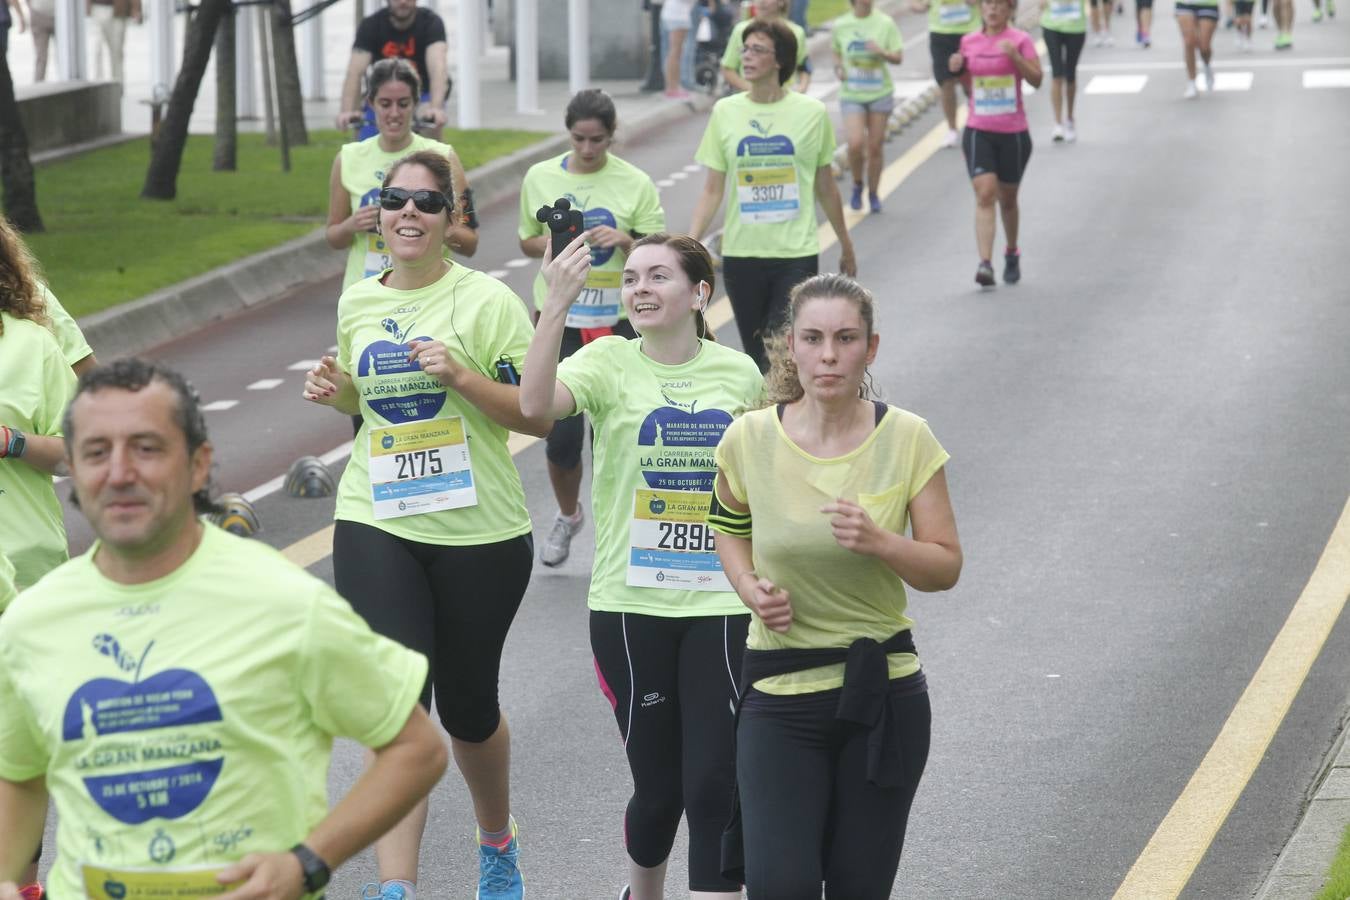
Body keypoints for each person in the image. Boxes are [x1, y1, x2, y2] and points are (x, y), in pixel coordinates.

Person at [0, 357, 449, 900]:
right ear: (72, 466)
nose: (119, 473)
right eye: (96, 453)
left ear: (197, 464)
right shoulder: (33, 620)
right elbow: (19, 774)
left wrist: (308, 862)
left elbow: (416, 749)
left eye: (146, 448)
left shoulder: (281, 600)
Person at [303, 149, 549, 900]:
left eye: (426, 203)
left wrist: (462, 377)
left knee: (470, 709)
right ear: (377, 214)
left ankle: (497, 841)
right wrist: (340, 392)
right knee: (400, 707)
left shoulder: (488, 304)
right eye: (394, 200)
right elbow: (367, 407)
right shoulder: (358, 303)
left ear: (451, 220)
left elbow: (534, 415)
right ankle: (396, 887)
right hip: (377, 516)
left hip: (480, 531)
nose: (408, 213)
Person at [521, 232, 763, 900]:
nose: (640, 289)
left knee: (715, 782)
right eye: (630, 279)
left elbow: (762, 485)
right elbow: (534, 409)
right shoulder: (605, 364)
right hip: (631, 608)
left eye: (658, 276)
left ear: (700, 295)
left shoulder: (740, 376)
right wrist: (555, 306)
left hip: (721, 603)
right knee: (659, 793)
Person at [708, 274, 962, 898]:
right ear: (789, 346)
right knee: (781, 885)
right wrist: (747, 586)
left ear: (870, 349)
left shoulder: (907, 437)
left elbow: (945, 565)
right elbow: (726, 526)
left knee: (857, 888)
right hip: (779, 691)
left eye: (846, 339)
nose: (829, 355)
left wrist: (882, 542)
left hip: (882, 693)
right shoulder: (749, 438)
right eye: (814, 338)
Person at [517, 90, 666, 568]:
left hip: (618, 320)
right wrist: (559, 240)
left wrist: (625, 239)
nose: (587, 149)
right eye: (579, 139)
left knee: (620, 434)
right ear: (568, 134)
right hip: (561, 320)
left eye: (597, 140)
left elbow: (660, 247)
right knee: (560, 440)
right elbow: (525, 239)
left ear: (611, 135)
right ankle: (568, 514)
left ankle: (619, 527)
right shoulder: (540, 177)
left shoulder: (633, 182)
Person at [690, 18, 856, 371]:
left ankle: (786, 420)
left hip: (795, 252)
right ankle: (773, 421)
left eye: (758, 50)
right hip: (741, 253)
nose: (746, 56)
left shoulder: (810, 113)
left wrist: (845, 243)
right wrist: (688, 245)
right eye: (745, 49)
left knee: (783, 350)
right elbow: (712, 188)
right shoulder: (726, 112)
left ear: (780, 60)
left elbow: (825, 186)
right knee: (756, 356)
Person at [0, 215, 77, 900]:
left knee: (16, 747)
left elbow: (74, 449)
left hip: (25, 571)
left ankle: (23, 884)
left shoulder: (32, 345)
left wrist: (12, 441)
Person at [328, 57, 477, 293]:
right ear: (370, 103)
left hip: (429, 293)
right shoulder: (348, 158)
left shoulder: (443, 156)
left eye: (404, 103)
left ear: (416, 103)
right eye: (385, 104)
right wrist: (351, 225)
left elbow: (470, 241)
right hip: (366, 294)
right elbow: (333, 236)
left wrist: (432, 225)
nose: (394, 113)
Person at [948, 0, 1041, 287]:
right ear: (981, 8)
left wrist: (1015, 57)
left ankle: (1011, 251)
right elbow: (967, 84)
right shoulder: (969, 41)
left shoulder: (1020, 40)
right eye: (988, 4)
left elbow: (1036, 79)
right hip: (979, 129)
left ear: (1009, 9)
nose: (993, 10)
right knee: (985, 193)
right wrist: (958, 69)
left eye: (999, 5)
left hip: (1013, 131)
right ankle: (985, 263)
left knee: (1008, 199)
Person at [337, 0, 450, 140]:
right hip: (384, 95)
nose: (402, 2)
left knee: (430, 125)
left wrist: (436, 108)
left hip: (422, 95)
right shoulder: (371, 25)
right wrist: (348, 111)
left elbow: (438, 69)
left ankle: (434, 159)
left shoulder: (431, 23)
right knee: (362, 142)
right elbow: (354, 72)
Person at [832, 0, 904, 213]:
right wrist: (838, 67)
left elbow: (898, 56)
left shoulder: (885, 23)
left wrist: (881, 52)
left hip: (879, 92)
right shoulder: (842, 24)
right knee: (854, 144)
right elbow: (836, 50)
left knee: (875, 146)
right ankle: (857, 184)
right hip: (852, 93)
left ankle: (873, 192)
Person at [913, 0, 982, 148]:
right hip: (940, 33)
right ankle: (952, 129)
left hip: (970, 32)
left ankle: (977, 120)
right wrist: (919, 6)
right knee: (946, 83)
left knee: (970, 83)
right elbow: (914, 4)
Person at [721, 0, 812, 94]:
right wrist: (752, 90)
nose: (762, 2)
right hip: (751, 100)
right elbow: (728, 68)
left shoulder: (796, 32)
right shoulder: (741, 30)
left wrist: (801, 89)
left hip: (785, 97)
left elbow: (804, 67)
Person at [1041, 0, 1087, 142]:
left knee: (1070, 75)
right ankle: (1057, 123)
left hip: (1075, 26)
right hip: (1051, 25)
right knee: (1057, 75)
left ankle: (1070, 119)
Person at [86, 0, 140, 85]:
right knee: (96, 50)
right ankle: (97, 84)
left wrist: (136, 7)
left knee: (116, 52)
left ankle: (118, 85)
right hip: (97, 8)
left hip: (118, 10)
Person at [1175, 0, 1218, 95]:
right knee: (1189, 42)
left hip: (1207, 4)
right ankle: (1192, 82)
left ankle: (1207, 66)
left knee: (1204, 46)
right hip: (1185, 4)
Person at [662, 0, 695, 98]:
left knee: (676, 52)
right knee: (675, 52)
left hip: (678, 14)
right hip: (677, 15)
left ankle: (673, 86)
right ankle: (672, 87)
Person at [28, 0, 54, 81]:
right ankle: (38, 82)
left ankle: (67, 82)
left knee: (65, 53)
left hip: (61, 14)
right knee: (41, 55)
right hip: (39, 13)